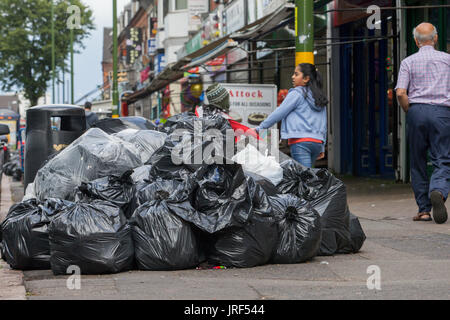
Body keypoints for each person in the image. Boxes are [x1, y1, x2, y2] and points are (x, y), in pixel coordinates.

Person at [395, 22, 450, 224]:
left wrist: (410, 111)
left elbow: (401, 92)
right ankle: (438, 190)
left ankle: (424, 210)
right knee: (442, 158)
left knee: (417, 161)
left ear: (416, 41)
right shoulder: (447, 60)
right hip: (442, 112)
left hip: (416, 110)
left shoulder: (408, 62)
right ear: (435, 39)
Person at [255, 63, 328, 168]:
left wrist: (261, 127)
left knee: (305, 178)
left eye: (296, 74)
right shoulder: (319, 97)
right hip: (317, 142)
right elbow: (323, 123)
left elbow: (279, 112)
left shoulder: (297, 94)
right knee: (307, 175)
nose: (292, 77)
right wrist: (322, 146)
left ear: (306, 78)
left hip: (300, 142)